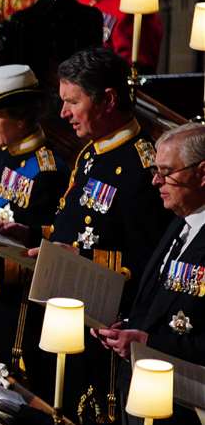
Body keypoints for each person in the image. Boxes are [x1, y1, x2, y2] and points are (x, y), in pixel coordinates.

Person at [92, 123, 205, 425]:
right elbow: (154, 305)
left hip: (185, 413)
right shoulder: (180, 223)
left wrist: (149, 341)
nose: (156, 181)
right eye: (155, 171)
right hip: (144, 393)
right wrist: (125, 327)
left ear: (202, 172)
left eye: (167, 172)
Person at [44, 46, 168, 297]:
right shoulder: (91, 151)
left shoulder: (143, 166)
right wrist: (30, 233)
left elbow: (151, 258)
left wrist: (84, 258)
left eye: (73, 102)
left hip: (106, 308)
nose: (63, 113)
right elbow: (75, 227)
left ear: (108, 100)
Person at [0, 64, 68, 376]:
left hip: (17, 309)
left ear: (22, 117)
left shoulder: (47, 171)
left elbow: (40, 257)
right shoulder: (3, 151)